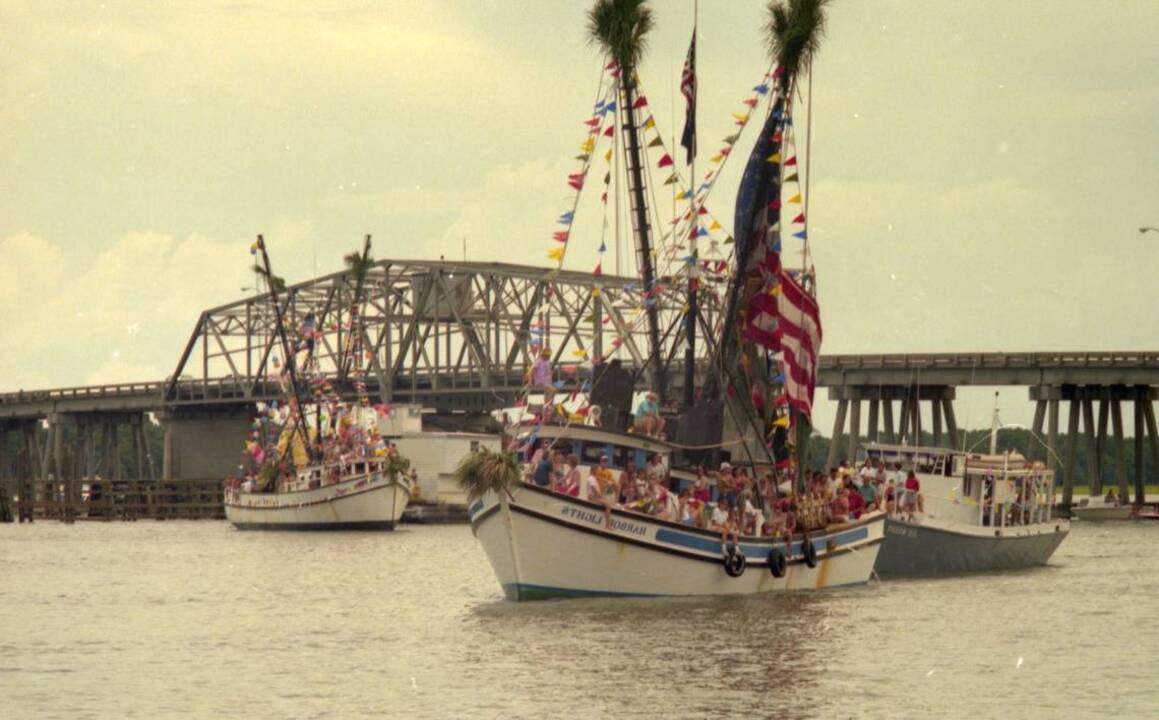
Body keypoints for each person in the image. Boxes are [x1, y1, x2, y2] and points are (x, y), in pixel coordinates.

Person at [528, 347, 555, 414]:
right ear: (544, 355)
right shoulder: (538, 361)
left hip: (547, 381)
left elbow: (548, 370)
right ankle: (548, 406)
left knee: (547, 393)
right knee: (553, 390)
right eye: (548, 356)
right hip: (540, 381)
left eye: (549, 355)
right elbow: (532, 371)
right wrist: (530, 381)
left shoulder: (548, 362)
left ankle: (546, 407)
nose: (549, 357)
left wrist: (550, 373)